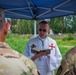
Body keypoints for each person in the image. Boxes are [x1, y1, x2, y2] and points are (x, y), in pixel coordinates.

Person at [0, 8, 39, 75]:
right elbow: (26, 54)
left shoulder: (52, 42)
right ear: (6, 27)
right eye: (40, 30)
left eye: (44, 30)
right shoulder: (26, 65)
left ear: (48, 30)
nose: (42, 32)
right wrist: (34, 57)